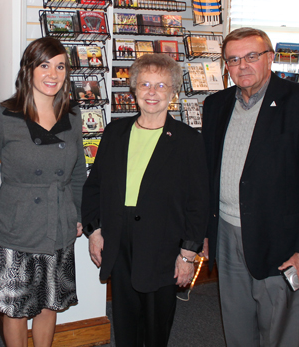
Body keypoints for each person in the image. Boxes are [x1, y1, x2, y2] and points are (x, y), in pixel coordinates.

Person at [202, 27, 299, 346]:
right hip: (226, 236)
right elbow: (208, 174)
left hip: (283, 242)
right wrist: (204, 232)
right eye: (233, 59)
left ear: (270, 58)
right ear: (226, 66)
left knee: (280, 329)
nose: (242, 65)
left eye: (252, 56)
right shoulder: (215, 105)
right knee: (236, 324)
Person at [82, 53, 209, 347]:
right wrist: (95, 231)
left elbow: (198, 202)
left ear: (173, 92)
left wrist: (188, 255)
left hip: (163, 247)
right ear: (134, 90)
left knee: (155, 327)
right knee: (125, 324)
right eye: (145, 84)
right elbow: (94, 186)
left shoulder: (188, 140)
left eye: (162, 86)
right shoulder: (115, 132)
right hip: (119, 242)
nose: (152, 93)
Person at [0, 37, 86, 347]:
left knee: (49, 303)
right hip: (16, 226)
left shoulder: (73, 115)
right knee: (16, 309)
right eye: (44, 65)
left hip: (58, 224)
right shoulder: (4, 116)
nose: (53, 74)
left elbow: (78, 173)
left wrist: (78, 215)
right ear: (29, 70)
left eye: (60, 66)